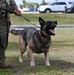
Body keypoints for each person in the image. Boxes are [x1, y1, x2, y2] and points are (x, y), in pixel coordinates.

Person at [0, 0, 21, 69]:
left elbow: (12, 3)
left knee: (3, 41)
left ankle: (1, 62)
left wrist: (16, 10)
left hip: (4, 21)